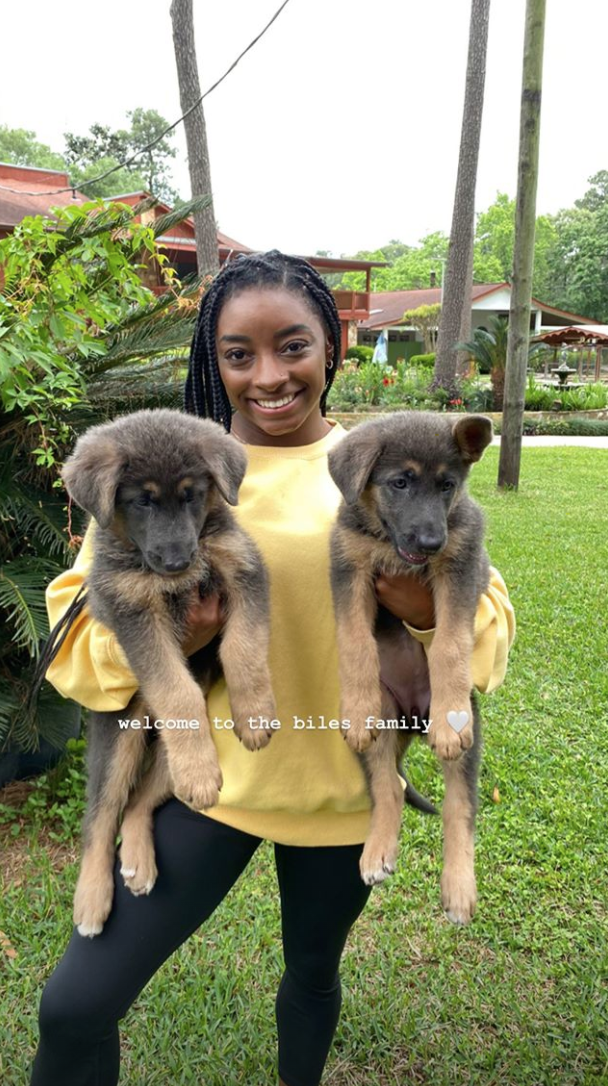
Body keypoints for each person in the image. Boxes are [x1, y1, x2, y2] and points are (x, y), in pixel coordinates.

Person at [30, 250, 515, 1086]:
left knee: (313, 974)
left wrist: (418, 606)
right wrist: (181, 644)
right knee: (75, 1005)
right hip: (208, 780)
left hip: (339, 785)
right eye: (237, 354)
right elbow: (78, 655)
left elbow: (490, 637)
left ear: (332, 346)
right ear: (212, 363)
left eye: (293, 346)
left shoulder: (383, 461)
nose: (268, 376)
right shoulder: (169, 472)